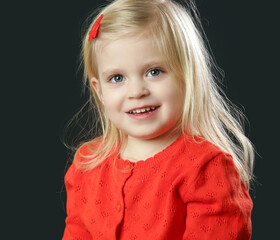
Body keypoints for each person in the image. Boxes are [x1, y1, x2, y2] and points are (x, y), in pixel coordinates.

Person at [62, 0, 255, 239]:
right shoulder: (87, 165)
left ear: (188, 77)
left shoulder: (206, 169)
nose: (136, 91)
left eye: (154, 72)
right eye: (117, 77)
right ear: (99, 90)